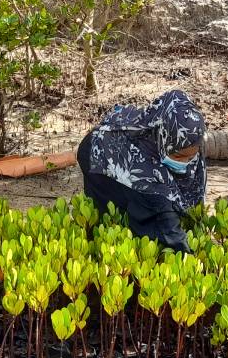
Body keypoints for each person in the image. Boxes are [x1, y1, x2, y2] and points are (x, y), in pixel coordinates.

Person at [76, 90, 206, 252]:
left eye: (191, 156)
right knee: (123, 213)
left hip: (129, 144)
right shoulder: (144, 170)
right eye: (178, 156)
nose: (185, 164)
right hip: (98, 156)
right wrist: (189, 256)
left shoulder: (187, 134)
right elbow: (168, 229)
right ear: (163, 141)